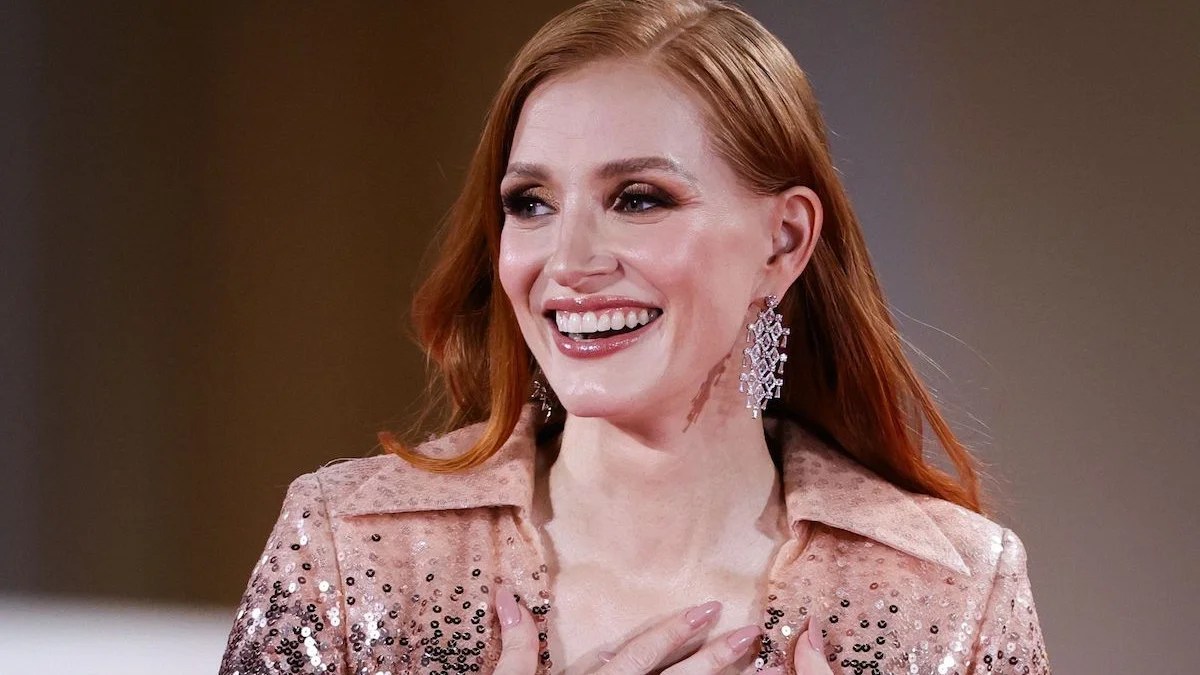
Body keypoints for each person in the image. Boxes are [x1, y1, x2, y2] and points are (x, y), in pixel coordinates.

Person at [218, 1, 1050, 673]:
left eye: (640, 198)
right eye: (530, 203)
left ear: (785, 241)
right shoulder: (351, 548)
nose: (569, 262)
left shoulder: (950, 591)